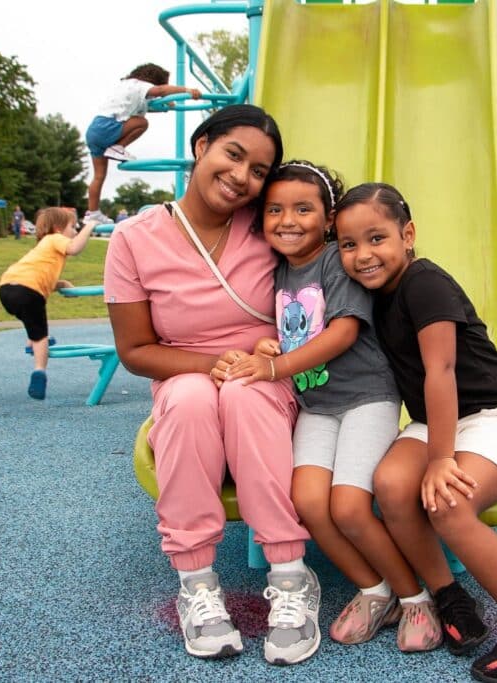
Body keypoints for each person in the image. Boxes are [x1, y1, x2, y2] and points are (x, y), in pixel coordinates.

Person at [103, 105, 321, 666]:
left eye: (258, 170)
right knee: (189, 396)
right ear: (202, 146)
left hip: (266, 381)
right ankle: (197, 583)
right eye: (233, 155)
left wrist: (273, 349)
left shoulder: (269, 225)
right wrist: (207, 365)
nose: (242, 176)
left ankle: (292, 577)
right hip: (186, 382)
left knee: (246, 394)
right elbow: (134, 351)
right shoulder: (133, 239)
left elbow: (321, 275)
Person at [333, 182, 497, 683]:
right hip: (432, 420)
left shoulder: (424, 283)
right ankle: (449, 596)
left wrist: (442, 458)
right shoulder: (370, 293)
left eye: (377, 238)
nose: (363, 255)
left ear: (409, 234)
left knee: (448, 503)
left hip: (489, 416)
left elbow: (441, 373)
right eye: (348, 245)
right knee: (393, 486)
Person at [224, 162, 441, 652]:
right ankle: (375, 590)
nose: (288, 219)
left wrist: (275, 370)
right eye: (275, 210)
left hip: (367, 397)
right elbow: (286, 329)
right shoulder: (277, 271)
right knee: (307, 504)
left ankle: (416, 596)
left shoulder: (332, 262)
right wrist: (266, 346)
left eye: (304, 209)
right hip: (317, 405)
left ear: (327, 220)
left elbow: (342, 331)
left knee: (348, 505)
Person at [85, 63, 202, 225]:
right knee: (141, 123)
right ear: (155, 81)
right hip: (107, 126)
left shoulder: (128, 87)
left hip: (94, 130)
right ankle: (118, 148)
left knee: (99, 176)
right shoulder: (140, 85)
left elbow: (150, 105)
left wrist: (166, 105)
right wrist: (187, 90)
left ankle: (93, 213)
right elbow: (159, 91)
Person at [0, 208, 96, 400]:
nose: (75, 230)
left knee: (30, 318)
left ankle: (32, 340)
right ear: (59, 229)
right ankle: (39, 370)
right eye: (72, 226)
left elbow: (41, 276)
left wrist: (61, 284)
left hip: (7, 288)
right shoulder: (55, 238)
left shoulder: (44, 247)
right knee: (41, 332)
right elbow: (75, 248)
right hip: (28, 290)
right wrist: (89, 227)